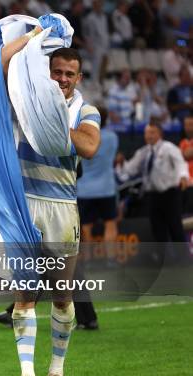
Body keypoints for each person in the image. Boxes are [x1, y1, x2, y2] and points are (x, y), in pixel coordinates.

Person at [0, 34, 101, 376]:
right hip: (25, 203)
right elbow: (1, 64)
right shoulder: (25, 102)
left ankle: (56, 371)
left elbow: (89, 147)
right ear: (47, 72)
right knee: (25, 295)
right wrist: (31, 37)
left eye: (69, 74)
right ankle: (27, 375)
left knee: (62, 296)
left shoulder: (84, 111)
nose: (61, 79)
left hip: (61, 208)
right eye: (56, 71)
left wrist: (53, 122)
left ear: (79, 77)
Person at [75, 106, 119, 330]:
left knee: (87, 229)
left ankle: (90, 259)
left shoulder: (82, 134)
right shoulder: (112, 137)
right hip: (107, 187)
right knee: (110, 225)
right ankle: (111, 259)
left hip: (85, 188)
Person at [117, 121, 189, 242]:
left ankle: (182, 258)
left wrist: (183, 176)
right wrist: (122, 162)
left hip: (170, 194)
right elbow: (130, 170)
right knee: (157, 229)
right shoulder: (144, 152)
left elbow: (180, 163)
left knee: (175, 227)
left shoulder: (169, 148)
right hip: (152, 196)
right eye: (146, 133)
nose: (148, 136)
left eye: (152, 132)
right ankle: (161, 259)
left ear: (160, 134)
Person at [179, 116, 193, 213]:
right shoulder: (182, 143)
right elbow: (185, 155)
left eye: (191, 125)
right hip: (187, 184)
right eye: (186, 125)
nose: (188, 128)